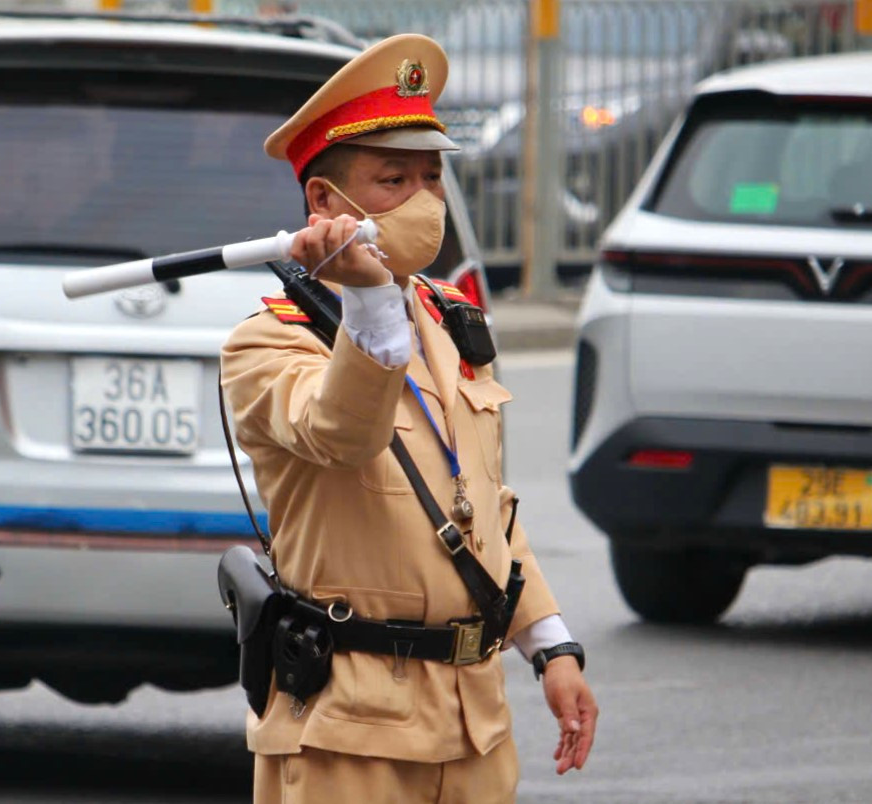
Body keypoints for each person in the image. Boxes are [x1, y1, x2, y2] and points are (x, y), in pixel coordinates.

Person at [220, 34, 598, 803]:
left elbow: (483, 502)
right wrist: (364, 301)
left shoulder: (451, 318)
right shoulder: (267, 343)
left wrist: (550, 645)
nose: (424, 200)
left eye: (431, 176)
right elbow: (341, 432)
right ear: (325, 204)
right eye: (393, 179)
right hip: (348, 730)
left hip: (474, 724)